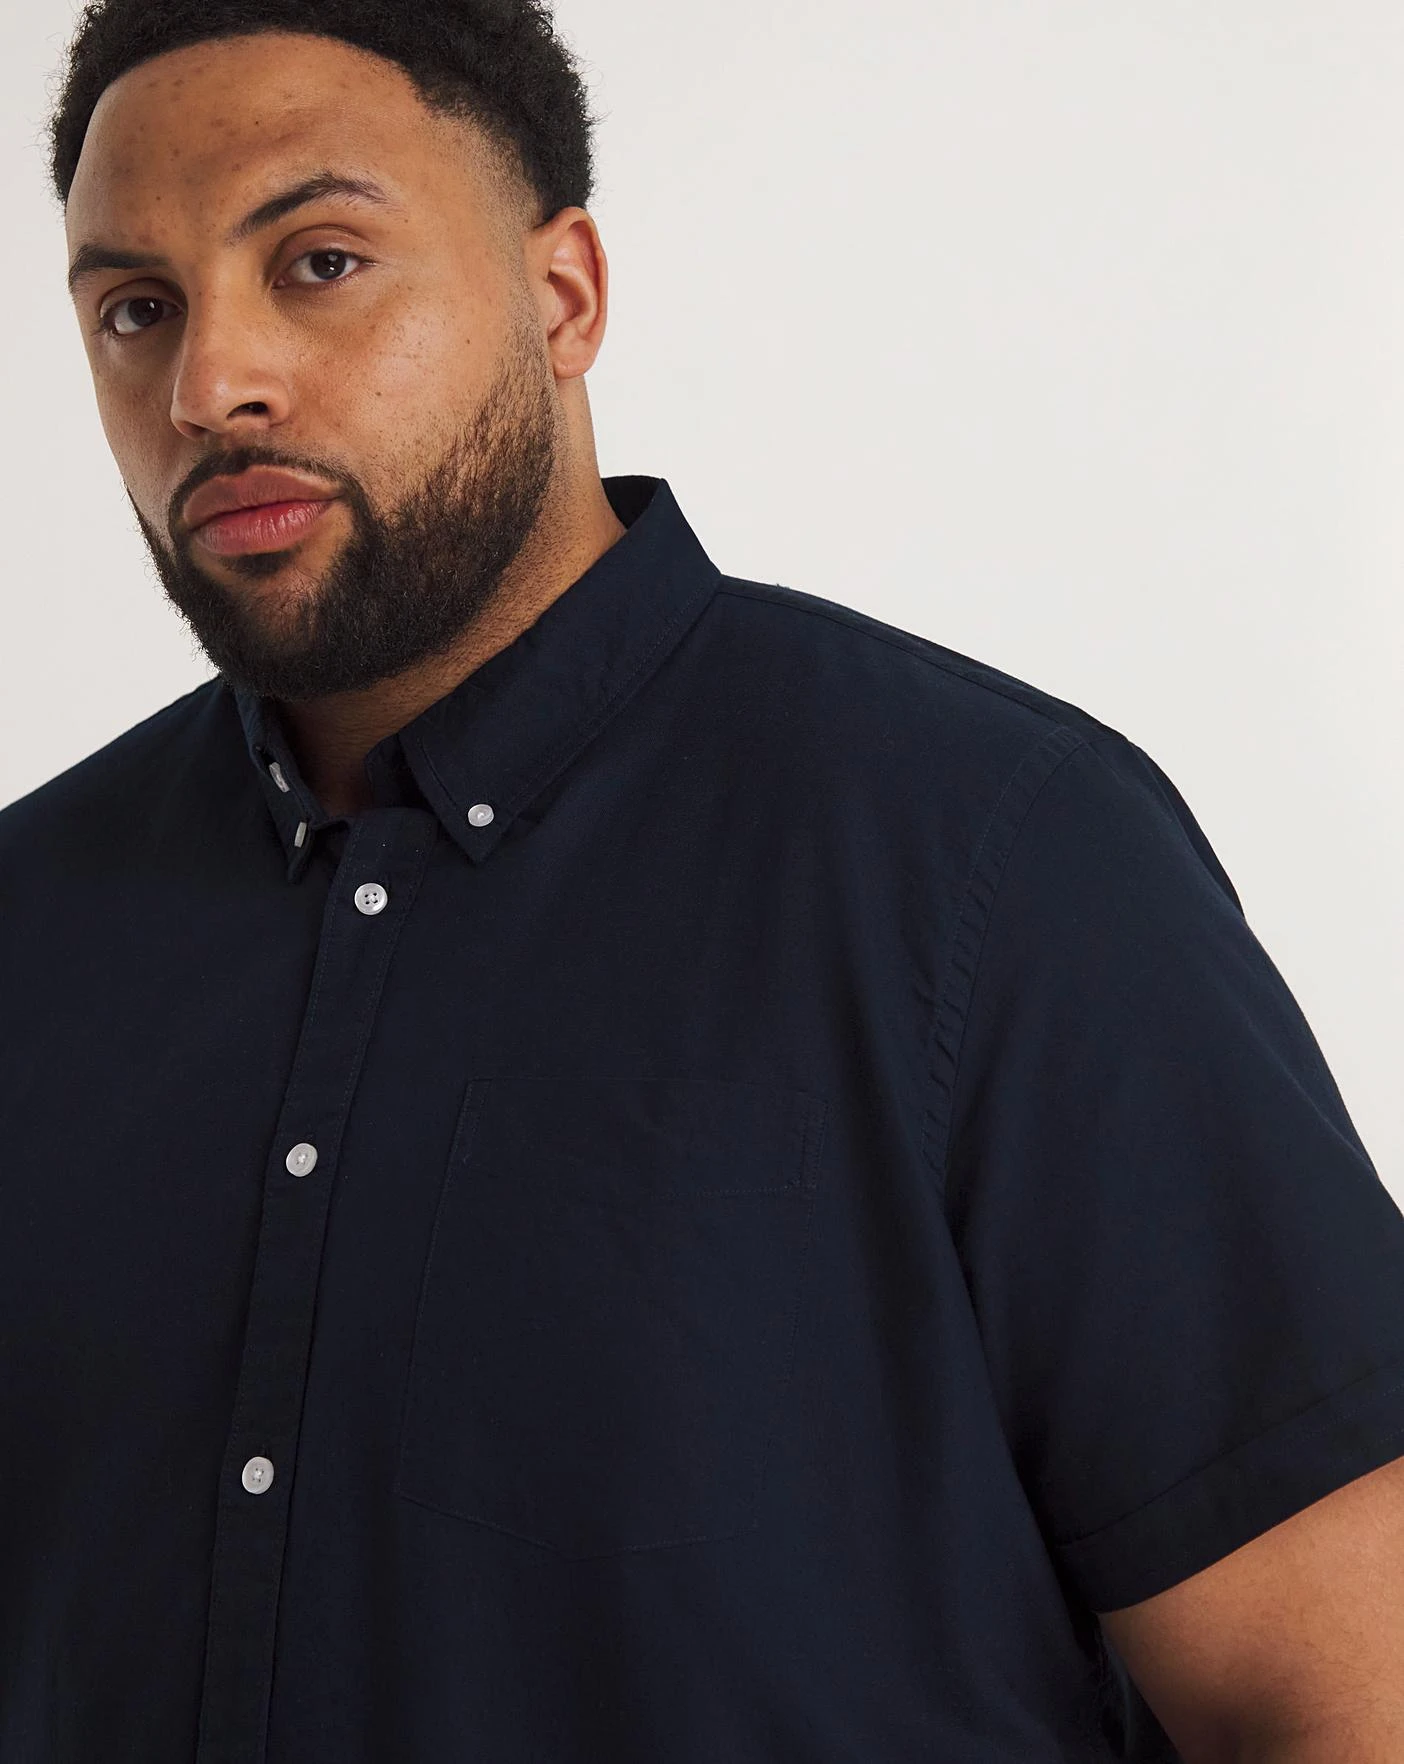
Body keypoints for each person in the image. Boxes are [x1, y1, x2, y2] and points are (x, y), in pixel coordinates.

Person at [3, 3, 1401, 1759]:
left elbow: (1347, 1698)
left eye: (322, 262)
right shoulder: (31, 931)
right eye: (136, 309)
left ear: (564, 296)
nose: (211, 385)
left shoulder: (996, 862)